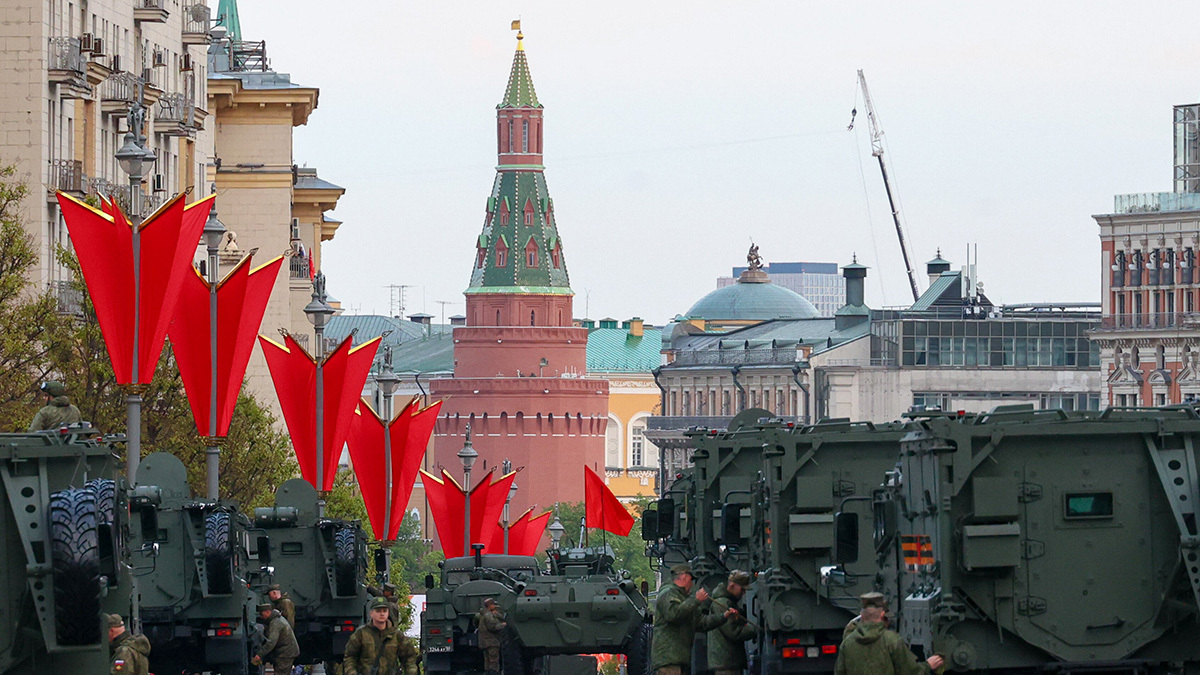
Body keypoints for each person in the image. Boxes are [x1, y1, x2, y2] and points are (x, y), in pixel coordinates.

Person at [650, 563, 736, 675]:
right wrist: (696, 600)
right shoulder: (668, 593)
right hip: (669, 661)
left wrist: (724, 616)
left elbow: (701, 623)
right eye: (691, 579)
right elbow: (673, 614)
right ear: (684, 577)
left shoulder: (684, 598)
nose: (692, 584)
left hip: (679, 660)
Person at [834, 592, 944, 675]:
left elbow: (839, 672)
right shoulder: (892, 640)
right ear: (882, 615)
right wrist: (928, 665)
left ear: (861, 616)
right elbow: (910, 672)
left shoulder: (847, 643)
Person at [343, 596, 419, 675]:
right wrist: (352, 672)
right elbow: (350, 656)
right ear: (371, 613)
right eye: (378, 611)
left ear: (388, 613)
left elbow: (409, 658)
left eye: (384, 611)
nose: (382, 614)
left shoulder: (396, 635)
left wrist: (411, 671)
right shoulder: (361, 634)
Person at [707, 570, 756, 675]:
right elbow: (733, 632)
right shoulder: (722, 604)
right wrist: (754, 630)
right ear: (732, 585)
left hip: (728, 662)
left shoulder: (726, 602)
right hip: (726, 663)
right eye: (742, 589)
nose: (743, 593)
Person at [252, 602, 300, 673]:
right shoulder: (277, 619)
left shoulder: (276, 623)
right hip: (286, 652)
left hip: (285, 654)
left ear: (268, 612)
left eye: (262, 614)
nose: (261, 617)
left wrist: (259, 655)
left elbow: (271, 642)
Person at [476, 597, 506, 675]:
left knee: (487, 661)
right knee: (494, 661)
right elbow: (493, 627)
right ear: (491, 605)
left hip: (484, 642)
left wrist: (496, 614)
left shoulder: (482, 614)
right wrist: (503, 625)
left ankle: (488, 673)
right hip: (491, 642)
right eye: (494, 605)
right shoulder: (488, 615)